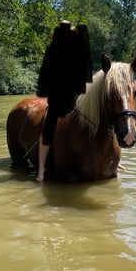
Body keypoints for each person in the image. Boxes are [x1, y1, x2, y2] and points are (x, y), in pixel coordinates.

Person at [35, 21, 92, 182]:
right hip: (57, 96)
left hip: (76, 95)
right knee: (48, 126)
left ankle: (110, 158)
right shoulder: (52, 51)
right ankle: (41, 168)